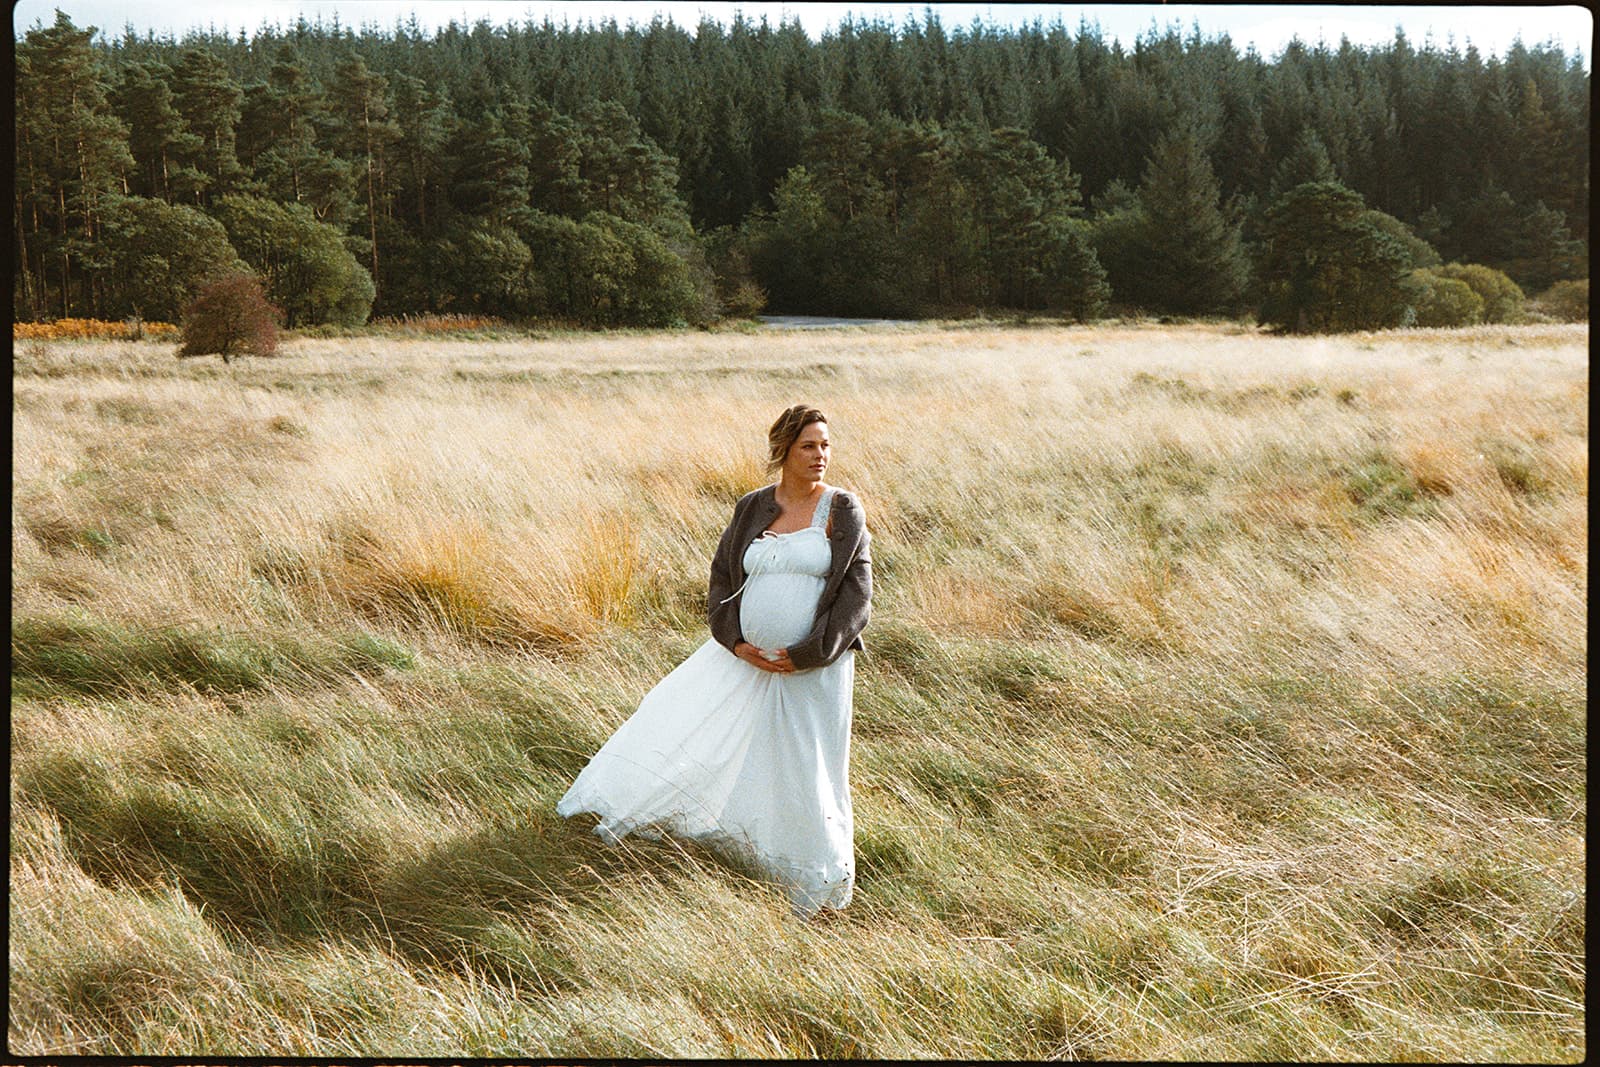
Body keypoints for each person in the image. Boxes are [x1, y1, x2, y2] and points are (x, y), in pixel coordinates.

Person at [557, 404, 872, 917]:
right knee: (685, 728)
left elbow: (857, 595)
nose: (821, 456)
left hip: (813, 669)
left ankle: (812, 879)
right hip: (743, 662)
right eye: (809, 445)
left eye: (826, 445)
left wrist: (806, 654)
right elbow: (722, 580)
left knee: (804, 766)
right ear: (784, 451)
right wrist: (736, 640)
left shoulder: (842, 508)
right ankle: (733, 846)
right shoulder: (752, 506)